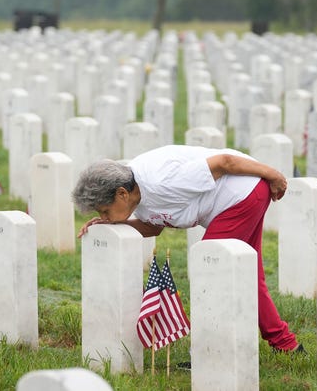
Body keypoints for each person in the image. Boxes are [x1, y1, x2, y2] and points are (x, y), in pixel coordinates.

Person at [71, 144, 304, 353]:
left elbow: (225, 163)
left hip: (241, 194)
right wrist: (114, 224)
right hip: (241, 197)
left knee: (211, 268)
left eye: (104, 211)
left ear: (122, 193)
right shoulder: (134, 194)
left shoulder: (163, 181)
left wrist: (275, 176)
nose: (104, 217)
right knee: (249, 275)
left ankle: (209, 351)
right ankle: (285, 344)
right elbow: (152, 228)